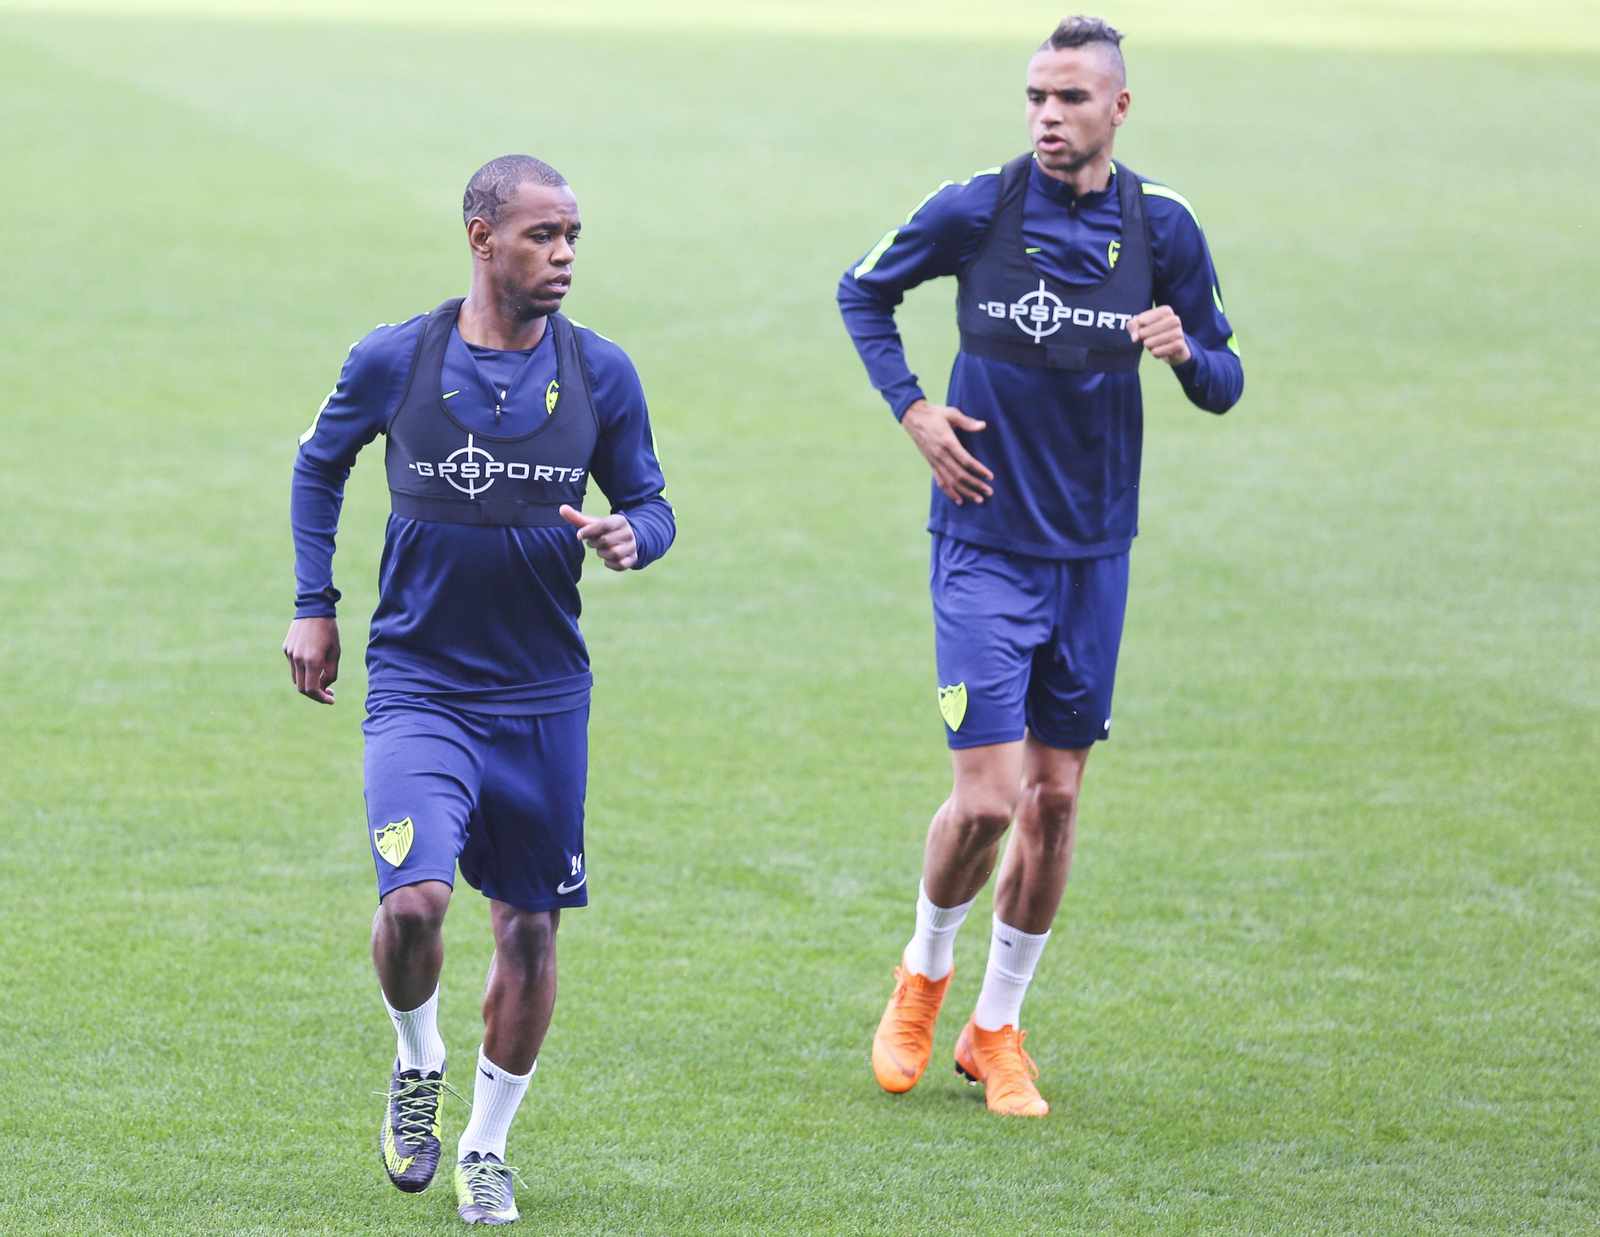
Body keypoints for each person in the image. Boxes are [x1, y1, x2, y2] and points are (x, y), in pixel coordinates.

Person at [838, 17, 1243, 1117]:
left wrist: (1184, 355)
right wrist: (913, 408)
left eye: (1069, 97)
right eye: (1034, 96)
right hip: (983, 542)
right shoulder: (977, 208)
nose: (1047, 116)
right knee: (987, 802)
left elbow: (1226, 376)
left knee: (1055, 802)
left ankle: (996, 1030)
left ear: (1119, 107)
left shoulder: (1163, 225)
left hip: (1094, 556)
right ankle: (922, 975)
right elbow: (862, 291)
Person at [284, 155, 674, 1222]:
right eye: (543, 235)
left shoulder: (601, 373)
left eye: (573, 236)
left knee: (530, 933)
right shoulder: (396, 358)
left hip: (544, 696)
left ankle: (486, 1145)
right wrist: (314, 603)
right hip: (419, 685)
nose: (564, 255)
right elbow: (318, 464)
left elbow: (652, 501)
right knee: (414, 902)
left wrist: (634, 534)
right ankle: (418, 1058)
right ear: (481, 237)